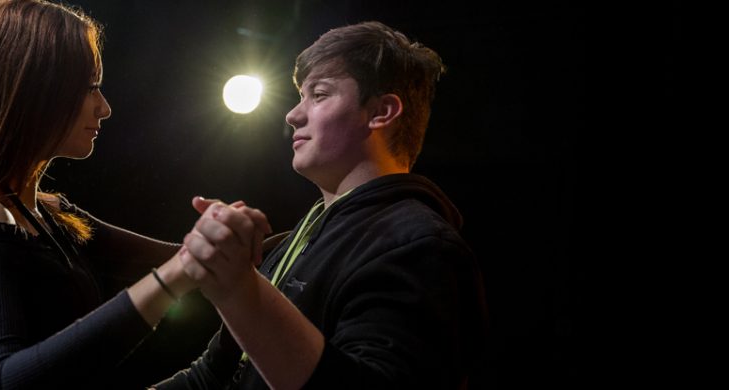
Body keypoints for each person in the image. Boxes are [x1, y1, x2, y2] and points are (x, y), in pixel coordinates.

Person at [0, 1, 267, 388]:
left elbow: (189, 258)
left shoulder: (47, 215)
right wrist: (176, 276)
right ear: (32, 90)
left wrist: (316, 223)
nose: (104, 108)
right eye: (90, 88)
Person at [158, 21, 488, 389]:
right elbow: (213, 376)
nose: (293, 115)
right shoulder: (303, 236)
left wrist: (239, 292)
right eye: (301, 96)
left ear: (381, 112)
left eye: (318, 94)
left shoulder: (420, 246)